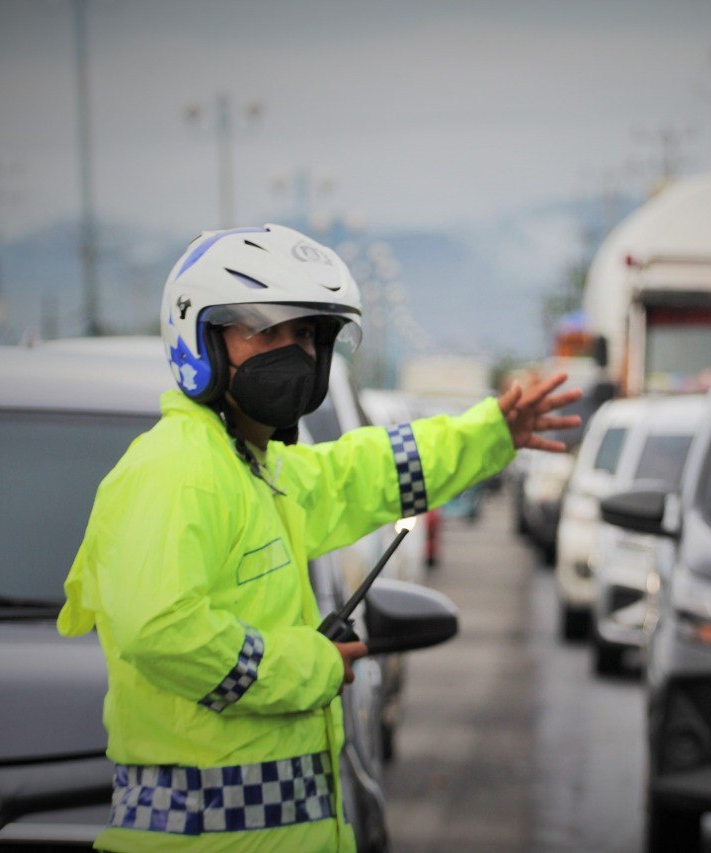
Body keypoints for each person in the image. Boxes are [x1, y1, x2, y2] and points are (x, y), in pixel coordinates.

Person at [57, 223, 580, 852]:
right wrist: (309, 666)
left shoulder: (255, 471)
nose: (294, 352)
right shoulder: (175, 468)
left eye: (305, 334)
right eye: (266, 331)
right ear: (202, 337)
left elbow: (362, 474)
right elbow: (161, 629)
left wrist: (491, 433)